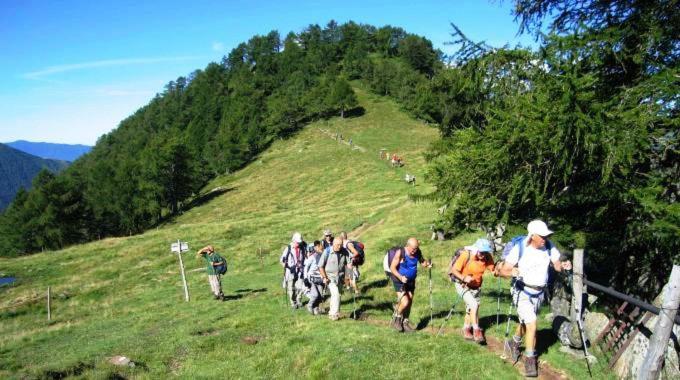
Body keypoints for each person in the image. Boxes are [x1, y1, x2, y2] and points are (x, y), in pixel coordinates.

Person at [498, 220, 572, 377]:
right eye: (543, 236)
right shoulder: (519, 249)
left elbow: (557, 265)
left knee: (525, 322)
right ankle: (530, 359)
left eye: (547, 235)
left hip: (539, 293)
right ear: (533, 235)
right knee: (532, 323)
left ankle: (514, 342)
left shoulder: (550, 247)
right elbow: (503, 270)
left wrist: (563, 266)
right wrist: (512, 272)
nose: (546, 238)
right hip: (522, 291)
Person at [449, 238, 496, 343]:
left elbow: (493, 269)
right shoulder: (466, 255)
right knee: (474, 305)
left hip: (476, 286)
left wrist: (502, 271)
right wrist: (464, 278)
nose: (482, 255)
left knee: (471, 308)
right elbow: (454, 270)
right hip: (462, 285)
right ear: (476, 249)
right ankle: (476, 331)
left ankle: (466, 329)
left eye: (485, 252)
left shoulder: (487, 257)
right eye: (481, 252)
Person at [388, 237, 432, 332]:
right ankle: (397, 319)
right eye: (413, 248)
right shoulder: (400, 252)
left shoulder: (417, 252)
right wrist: (401, 277)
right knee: (405, 302)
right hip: (399, 280)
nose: (414, 250)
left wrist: (428, 264)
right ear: (408, 245)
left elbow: (422, 262)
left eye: (416, 248)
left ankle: (405, 322)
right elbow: (392, 268)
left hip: (411, 281)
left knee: (410, 300)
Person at [318, 236, 349, 321]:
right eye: (338, 245)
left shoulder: (344, 251)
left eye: (341, 245)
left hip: (340, 278)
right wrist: (324, 277)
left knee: (337, 294)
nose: (340, 247)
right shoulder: (327, 251)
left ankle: (332, 312)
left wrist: (348, 277)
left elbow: (348, 265)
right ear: (334, 244)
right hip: (330, 277)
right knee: (336, 294)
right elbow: (320, 266)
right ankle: (334, 314)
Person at [280, 232, 306, 309]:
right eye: (298, 242)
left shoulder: (302, 248)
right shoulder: (288, 248)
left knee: (300, 287)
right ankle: (293, 302)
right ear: (294, 241)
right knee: (291, 288)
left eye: (299, 242)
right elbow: (282, 260)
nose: (299, 243)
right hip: (290, 271)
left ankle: (298, 300)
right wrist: (286, 265)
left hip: (300, 271)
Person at [303, 240, 325, 315]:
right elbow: (306, 267)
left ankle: (316, 309)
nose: (321, 247)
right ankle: (309, 305)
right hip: (312, 278)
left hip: (320, 279)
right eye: (318, 246)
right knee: (315, 295)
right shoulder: (313, 257)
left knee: (320, 296)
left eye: (321, 246)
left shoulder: (324, 255)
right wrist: (305, 278)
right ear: (316, 247)